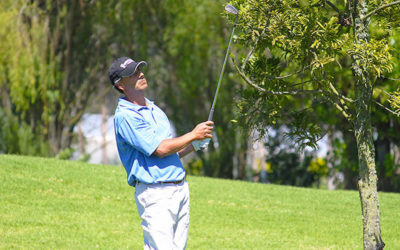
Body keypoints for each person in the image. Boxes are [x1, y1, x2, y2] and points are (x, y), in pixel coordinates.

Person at [108, 56, 213, 250]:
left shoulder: (155, 109)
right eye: (132, 73)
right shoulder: (125, 116)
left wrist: (195, 144)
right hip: (155, 193)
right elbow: (160, 149)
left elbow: (170, 152)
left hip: (180, 188)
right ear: (121, 85)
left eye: (140, 70)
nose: (140, 74)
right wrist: (192, 134)